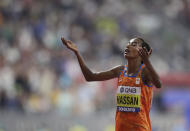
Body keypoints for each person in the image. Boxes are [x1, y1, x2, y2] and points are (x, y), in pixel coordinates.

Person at [61, 37, 162, 131]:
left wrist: (147, 61)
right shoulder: (120, 71)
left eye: (134, 44)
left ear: (142, 51)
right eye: (128, 43)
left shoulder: (145, 72)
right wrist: (77, 53)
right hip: (120, 127)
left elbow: (158, 84)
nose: (127, 46)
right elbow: (90, 77)